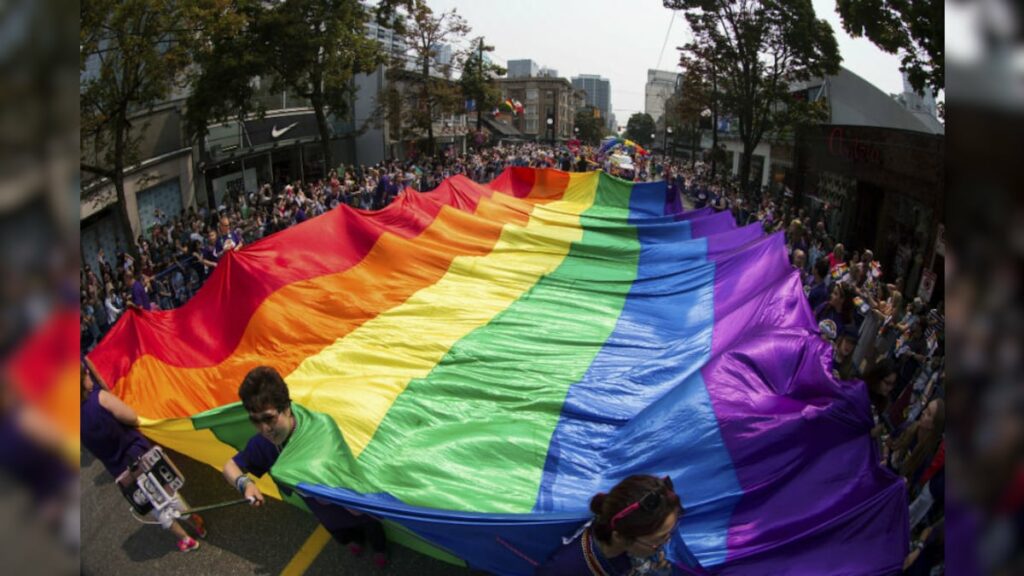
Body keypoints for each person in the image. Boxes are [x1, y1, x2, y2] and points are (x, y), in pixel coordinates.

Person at [222, 366, 389, 567]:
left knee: (370, 527)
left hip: (353, 504)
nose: (264, 428)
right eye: (256, 421)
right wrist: (244, 484)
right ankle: (354, 540)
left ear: (286, 408)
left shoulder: (321, 427)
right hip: (324, 512)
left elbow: (344, 468)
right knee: (342, 534)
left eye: (269, 418)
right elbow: (230, 466)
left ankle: (379, 547)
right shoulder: (264, 444)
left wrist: (355, 503)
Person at [80, 366, 206, 552]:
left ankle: (185, 539)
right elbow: (130, 416)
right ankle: (195, 522)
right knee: (167, 492)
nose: (90, 375)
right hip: (138, 453)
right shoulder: (100, 399)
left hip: (119, 470)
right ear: (82, 381)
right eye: (86, 374)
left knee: (154, 504)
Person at [535, 475, 706, 576]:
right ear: (620, 536)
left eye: (670, 533)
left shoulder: (627, 544)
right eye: (659, 540)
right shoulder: (566, 568)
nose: (666, 544)